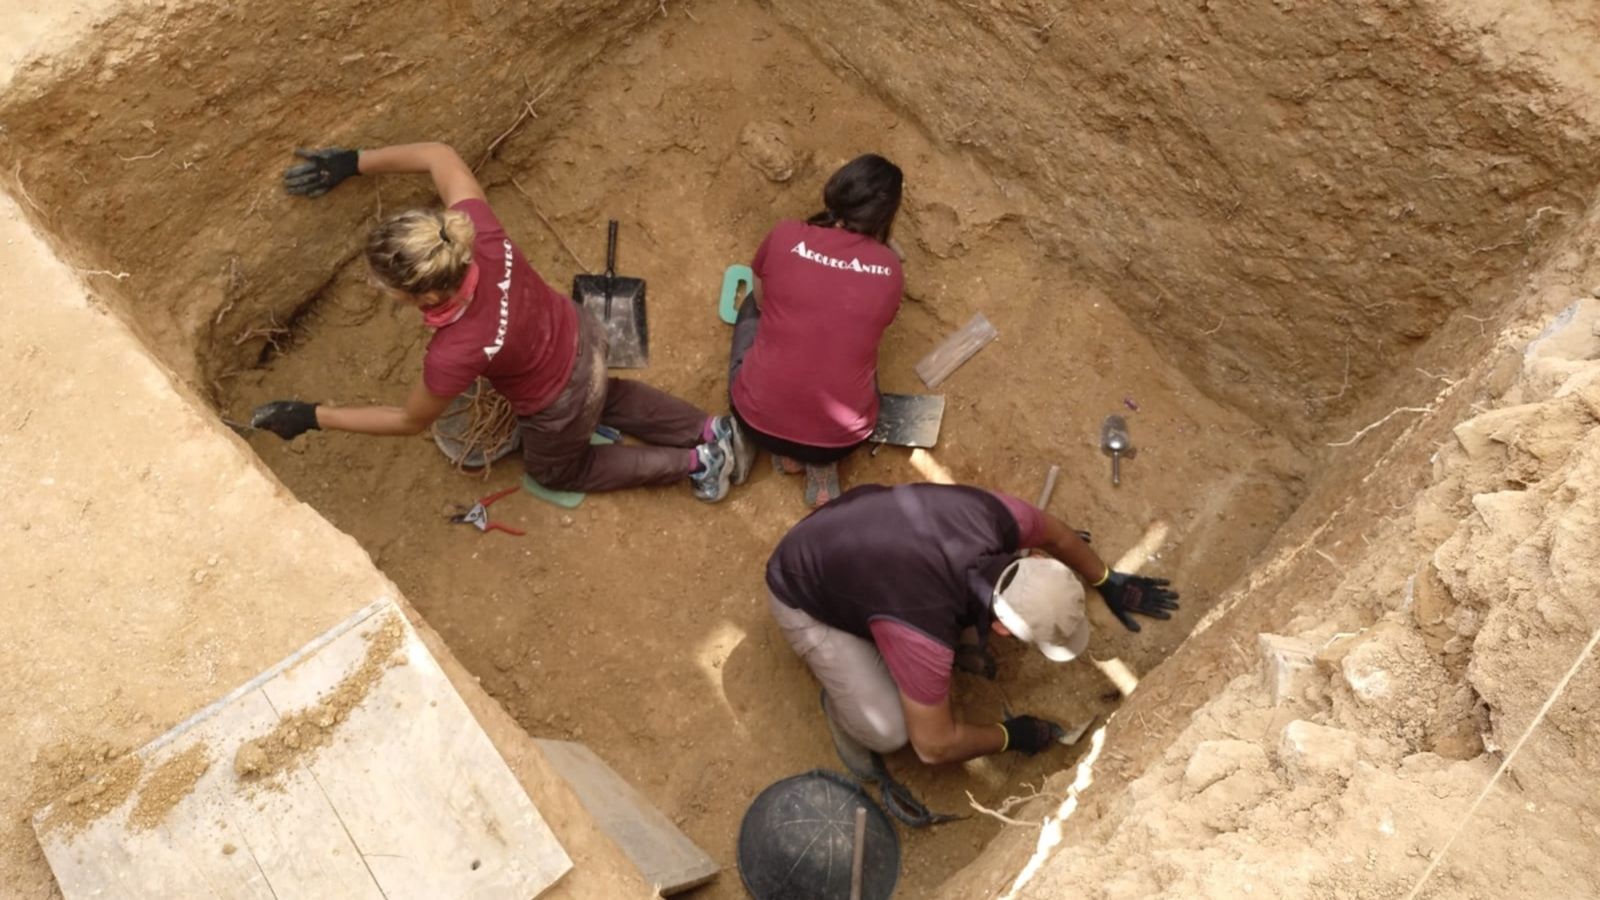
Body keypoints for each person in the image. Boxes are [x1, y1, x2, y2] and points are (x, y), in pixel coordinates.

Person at [252, 143, 743, 502]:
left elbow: (410, 420)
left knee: (560, 470)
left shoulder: (454, 352)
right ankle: (708, 427)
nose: (378, 287)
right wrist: (354, 162)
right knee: (607, 395)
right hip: (583, 334)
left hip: (558, 399)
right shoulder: (475, 232)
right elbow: (439, 156)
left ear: (425, 294)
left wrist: (313, 415)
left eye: (386, 285)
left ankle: (700, 461)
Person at [765, 482, 1178, 790]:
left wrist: (1107, 580)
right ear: (1001, 627)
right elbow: (934, 746)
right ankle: (845, 703)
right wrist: (1009, 736)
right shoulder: (924, 632)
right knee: (889, 731)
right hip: (801, 591)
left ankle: (875, 635)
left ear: (1035, 558)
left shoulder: (998, 519)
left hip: (851, 528)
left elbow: (1060, 535)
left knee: (934, 636)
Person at [728, 154, 905, 506]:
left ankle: (783, 451)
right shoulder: (890, 269)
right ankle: (822, 467)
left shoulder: (786, 234)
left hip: (757, 420)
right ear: (884, 216)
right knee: (852, 347)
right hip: (842, 439)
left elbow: (762, 303)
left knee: (751, 305)